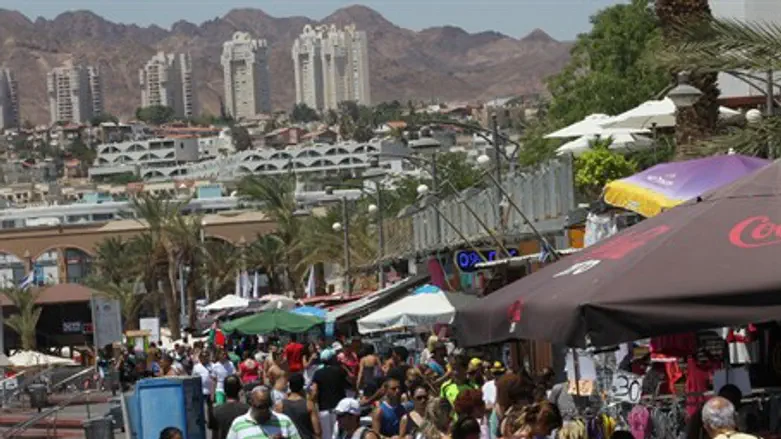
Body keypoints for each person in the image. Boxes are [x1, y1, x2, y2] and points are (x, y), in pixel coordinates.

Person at [226, 386, 301, 439]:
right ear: (250, 403)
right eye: (260, 407)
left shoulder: (284, 421)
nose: (265, 410)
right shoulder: (238, 424)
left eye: (268, 405)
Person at [312, 348, 352, 439]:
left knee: (326, 435)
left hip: (324, 409)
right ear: (331, 359)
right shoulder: (339, 370)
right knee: (340, 434)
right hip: (339, 409)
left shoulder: (318, 373)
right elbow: (350, 383)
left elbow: (314, 392)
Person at [275, 373, 321, 439]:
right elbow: (317, 431)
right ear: (302, 386)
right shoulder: (309, 405)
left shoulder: (280, 405)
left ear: (290, 386)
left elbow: (276, 428)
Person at [209, 375, 250, 439]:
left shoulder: (215, 410)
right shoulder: (248, 410)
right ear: (239, 390)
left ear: (224, 391)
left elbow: (214, 436)